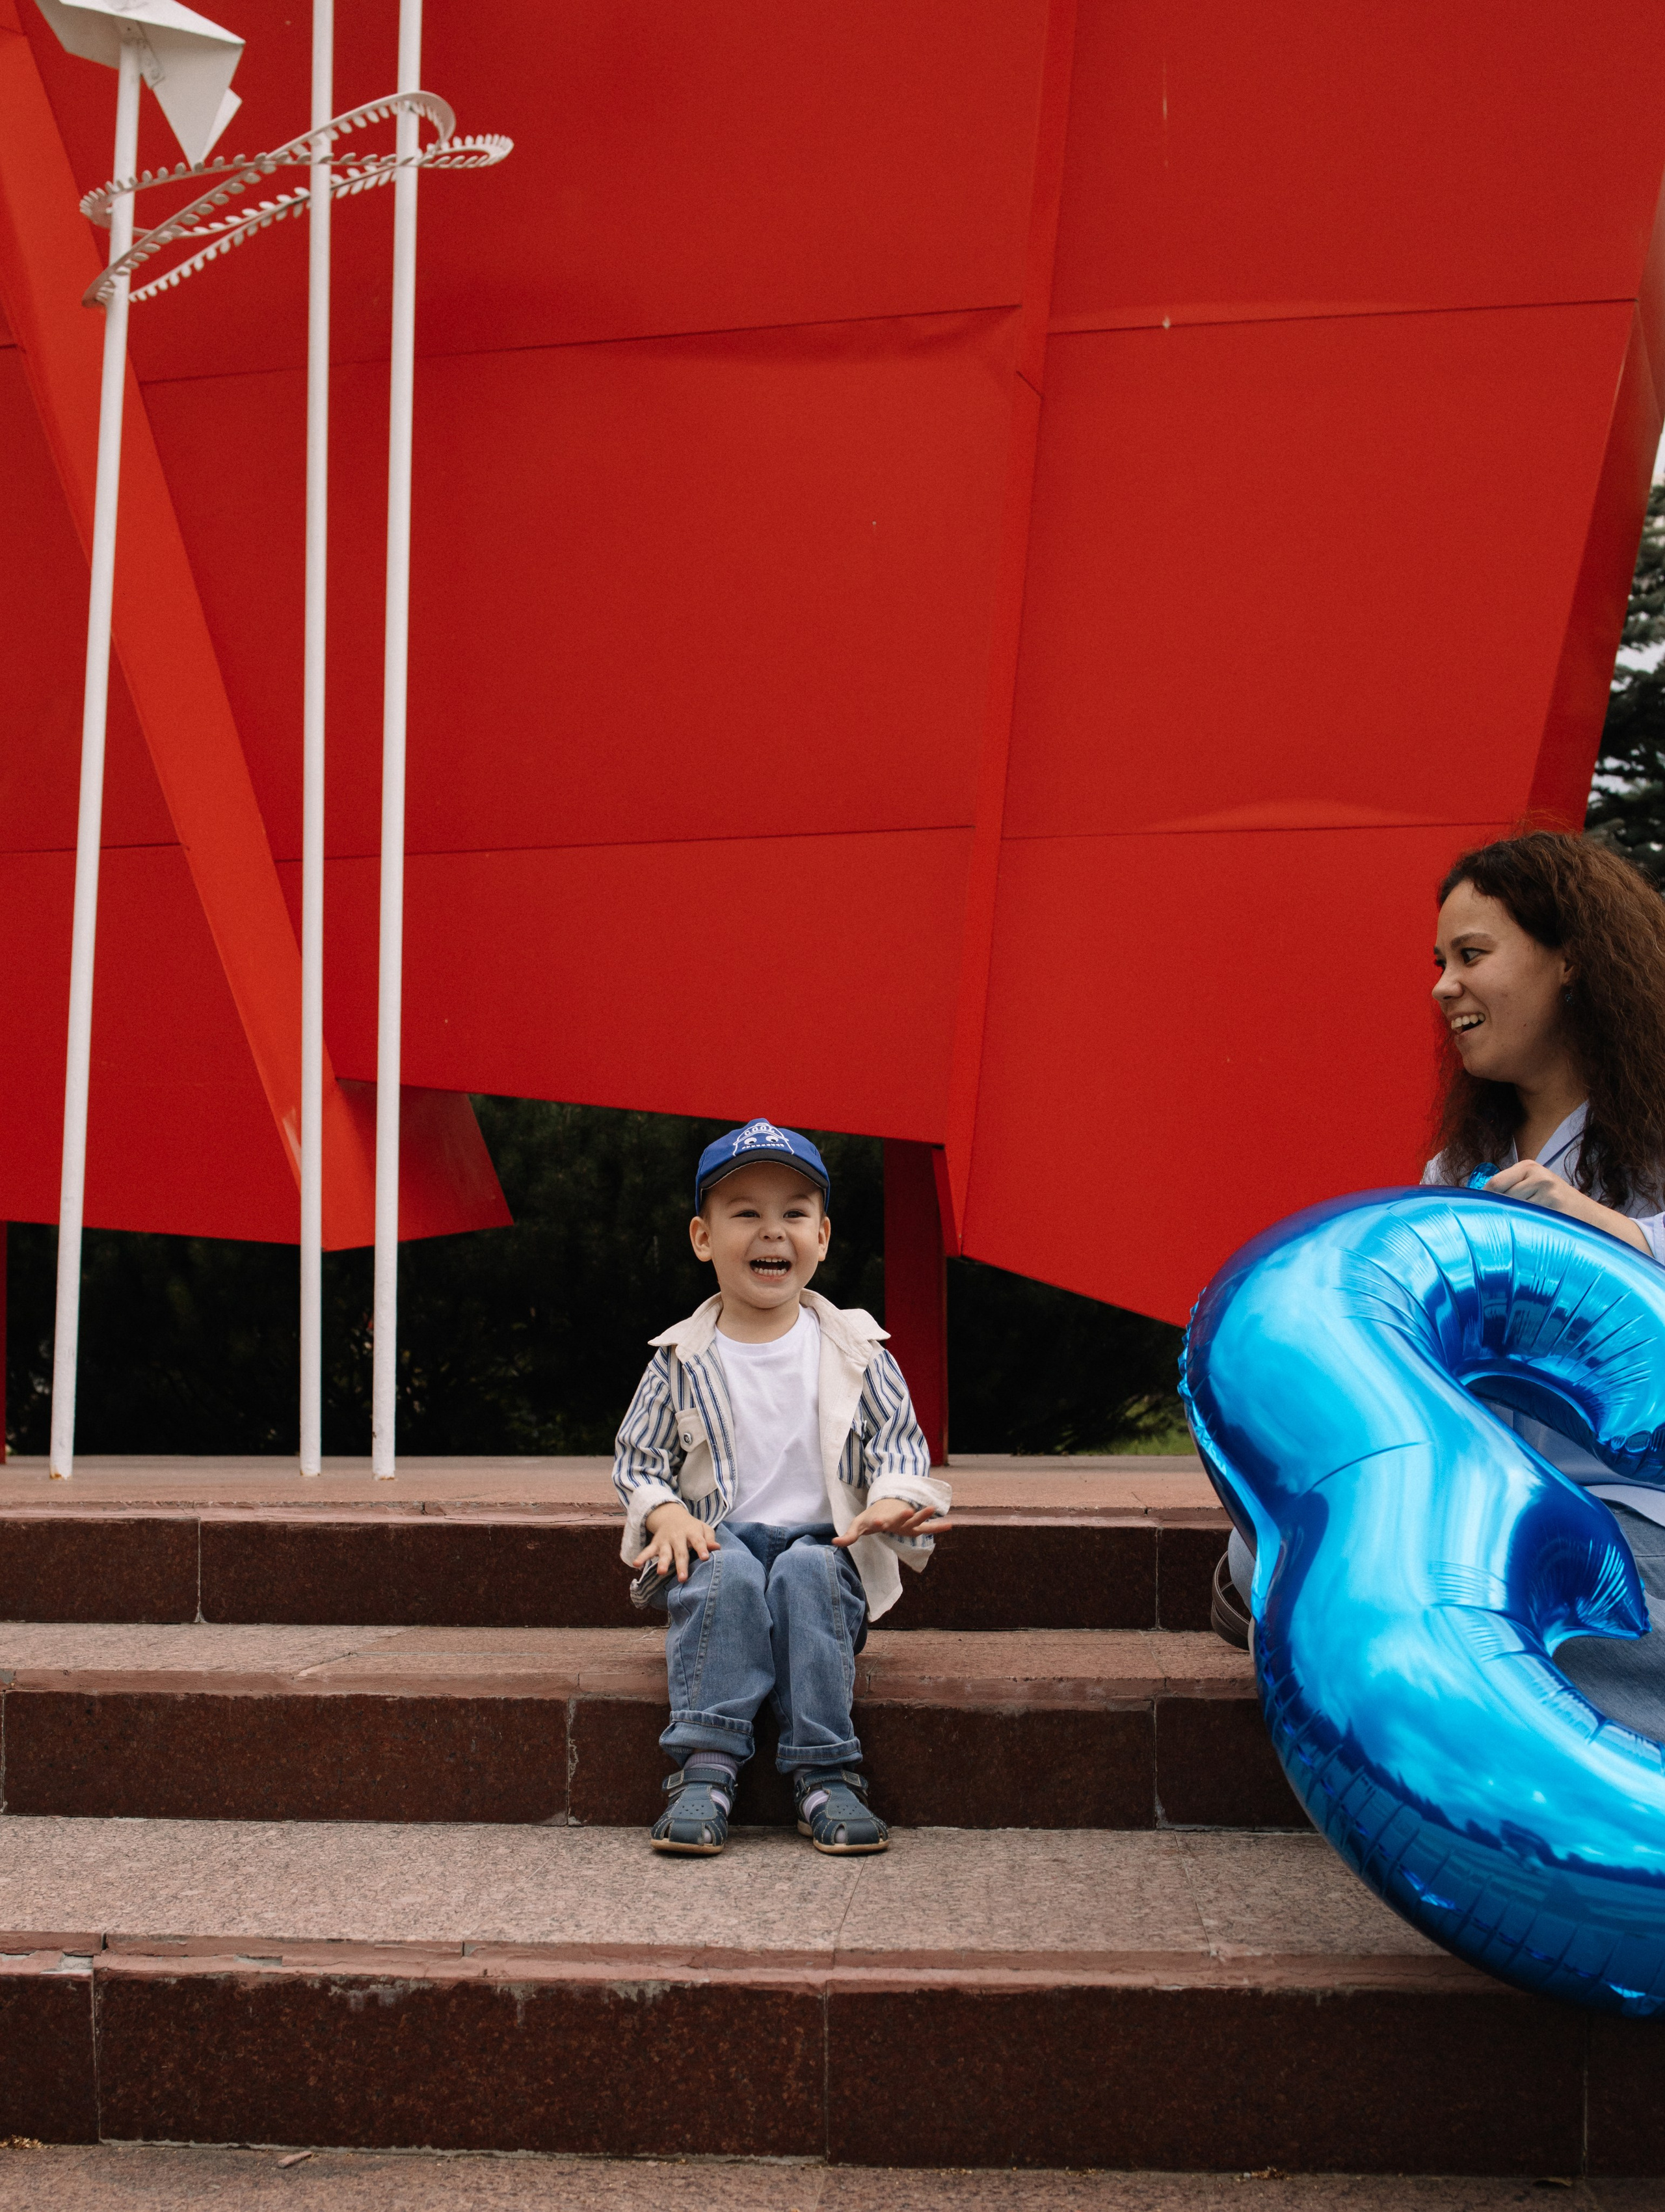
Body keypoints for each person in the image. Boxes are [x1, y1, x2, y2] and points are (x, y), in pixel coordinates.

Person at [1210, 831, 1665, 1736]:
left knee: (1550, 1616)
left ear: (1571, 961)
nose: (1443, 987)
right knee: (1287, 1528)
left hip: (1632, 1523)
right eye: (1439, 962)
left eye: (1472, 955)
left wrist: (1620, 1240)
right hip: (1480, 1505)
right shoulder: (1458, 1166)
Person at [612, 1117, 951, 1856]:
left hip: (824, 1545)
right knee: (723, 1572)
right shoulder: (679, 1360)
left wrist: (894, 1497)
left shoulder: (858, 1349)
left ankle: (825, 1770)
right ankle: (706, 1766)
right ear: (703, 1238)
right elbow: (638, 1459)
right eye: (746, 1213)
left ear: (821, 1237)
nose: (773, 1231)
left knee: (808, 1574)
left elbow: (898, 1442)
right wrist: (665, 1512)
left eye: (794, 1213)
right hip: (718, 1543)